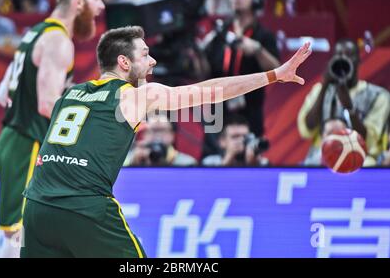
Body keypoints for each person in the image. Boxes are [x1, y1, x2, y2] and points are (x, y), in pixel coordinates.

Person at [21, 25, 311, 258]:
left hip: (36, 207)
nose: (153, 61)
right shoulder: (132, 95)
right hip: (83, 208)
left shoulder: (69, 95)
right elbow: (210, 92)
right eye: (145, 55)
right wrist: (274, 75)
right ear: (124, 62)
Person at [0, 0, 105, 258]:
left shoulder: (34, 33)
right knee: (21, 234)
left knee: (23, 232)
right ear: (79, 3)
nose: (102, 6)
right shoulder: (58, 41)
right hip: (29, 143)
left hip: (16, 138)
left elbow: (1, 92)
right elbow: (47, 105)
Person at [203, 0, 280, 137]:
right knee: (212, 158)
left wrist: (258, 50)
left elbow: (276, 71)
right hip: (217, 110)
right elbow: (204, 71)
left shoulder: (263, 35)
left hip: (250, 108)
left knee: (250, 155)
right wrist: (197, 53)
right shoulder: (219, 33)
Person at [298, 39, 390, 166]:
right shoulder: (319, 90)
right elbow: (306, 130)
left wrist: (349, 108)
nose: (343, 61)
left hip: (361, 158)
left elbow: (368, 141)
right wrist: (325, 85)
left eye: (348, 56)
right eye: (338, 56)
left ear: (358, 60)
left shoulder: (379, 96)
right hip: (321, 157)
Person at [124, 114, 197, 166]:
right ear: (145, 135)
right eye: (153, 130)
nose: (158, 135)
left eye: (162, 130)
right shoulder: (134, 158)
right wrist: (133, 164)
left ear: (172, 135)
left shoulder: (187, 163)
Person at [202, 115, 266, 166]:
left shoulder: (262, 163)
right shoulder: (210, 162)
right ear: (222, 141)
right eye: (235, 137)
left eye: (245, 137)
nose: (241, 140)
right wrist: (227, 162)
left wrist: (254, 166)